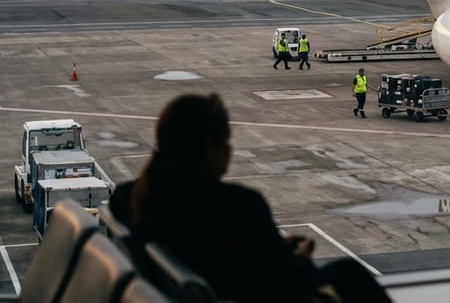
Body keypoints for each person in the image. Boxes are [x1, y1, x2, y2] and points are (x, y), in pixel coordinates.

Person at [109, 94, 389, 303]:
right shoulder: (238, 205)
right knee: (350, 274)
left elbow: (236, 253)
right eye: (226, 142)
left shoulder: (130, 199)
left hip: (219, 286)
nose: (230, 151)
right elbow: (288, 285)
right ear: (210, 146)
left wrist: (272, 249)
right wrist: (299, 257)